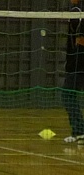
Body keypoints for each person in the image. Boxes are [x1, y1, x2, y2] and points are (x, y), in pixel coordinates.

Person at [62, 0, 84, 144]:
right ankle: (79, 131)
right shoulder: (74, 9)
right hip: (74, 62)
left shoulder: (79, 10)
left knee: (67, 94)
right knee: (68, 94)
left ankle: (79, 131)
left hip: (79, 62)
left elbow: (80, 39)